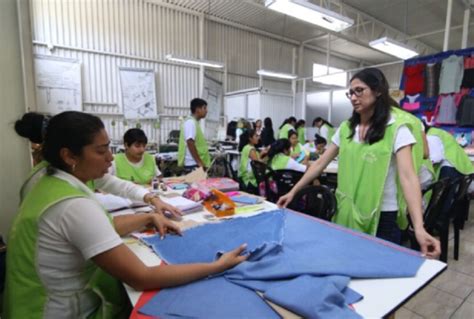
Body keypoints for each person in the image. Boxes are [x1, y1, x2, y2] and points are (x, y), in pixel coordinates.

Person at [4, 111, 248, 318]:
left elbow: (108, 206)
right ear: (69, 156)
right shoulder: (72, 206)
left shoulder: (47, 179)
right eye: (101, 151)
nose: (110, 158)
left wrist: (149, 213)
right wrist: (216, 265)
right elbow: (142, 277)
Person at [278, 68, 440, 258]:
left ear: (378, 91)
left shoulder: (397, 128)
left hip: (382, 216)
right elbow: (320, 163)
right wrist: (293, 191)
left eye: (359, 90)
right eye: (351, 93)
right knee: (346, 260)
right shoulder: (347, 128)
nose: (353, 97)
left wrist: (419, 227)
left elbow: (408, 177)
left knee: (378, 270)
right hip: (347, 210)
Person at [426, 124, 474, 219]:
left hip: (450, 165)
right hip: (460, 165)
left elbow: (436, 157)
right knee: (448, 196)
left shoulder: (431, 136)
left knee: (443, 198)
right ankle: (443, 220)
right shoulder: (437, 131)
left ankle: (438, 222)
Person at [178, 98, 211, 173]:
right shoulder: (190, 123)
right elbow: (190, 142)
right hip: (193, 165)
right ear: (197, 109)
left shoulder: (194, 123)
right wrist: (199, 163)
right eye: (204, 108)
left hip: (195, 164)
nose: (206, 111)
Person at [238, 129, 267, 195]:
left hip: (244, 177)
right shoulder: (251, 149)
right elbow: (258, 164)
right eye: (256, 136)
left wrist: (261, 154)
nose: (258, 138)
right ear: (250, 138)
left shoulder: (246, 147)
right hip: (249, 180)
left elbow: (254, 160)